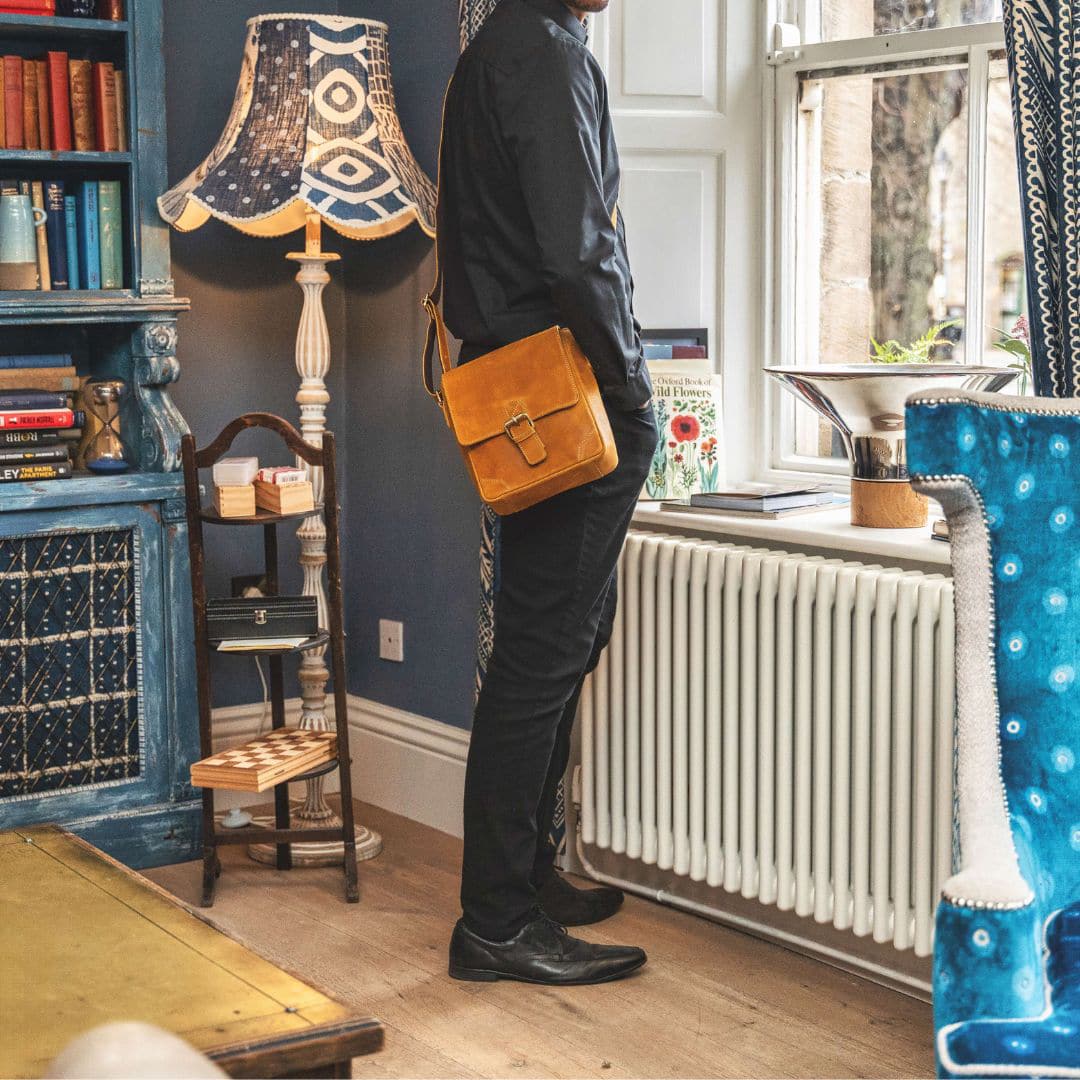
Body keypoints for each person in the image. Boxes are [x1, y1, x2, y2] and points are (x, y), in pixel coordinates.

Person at [439, 0, 658, 986]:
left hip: (533, 391)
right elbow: (577, 249)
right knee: (543, 652)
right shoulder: (538, 49)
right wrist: (632, 382)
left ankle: (525, 881)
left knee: (565, 639)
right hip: (567, 398)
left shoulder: (510, 44)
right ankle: (495, 919)